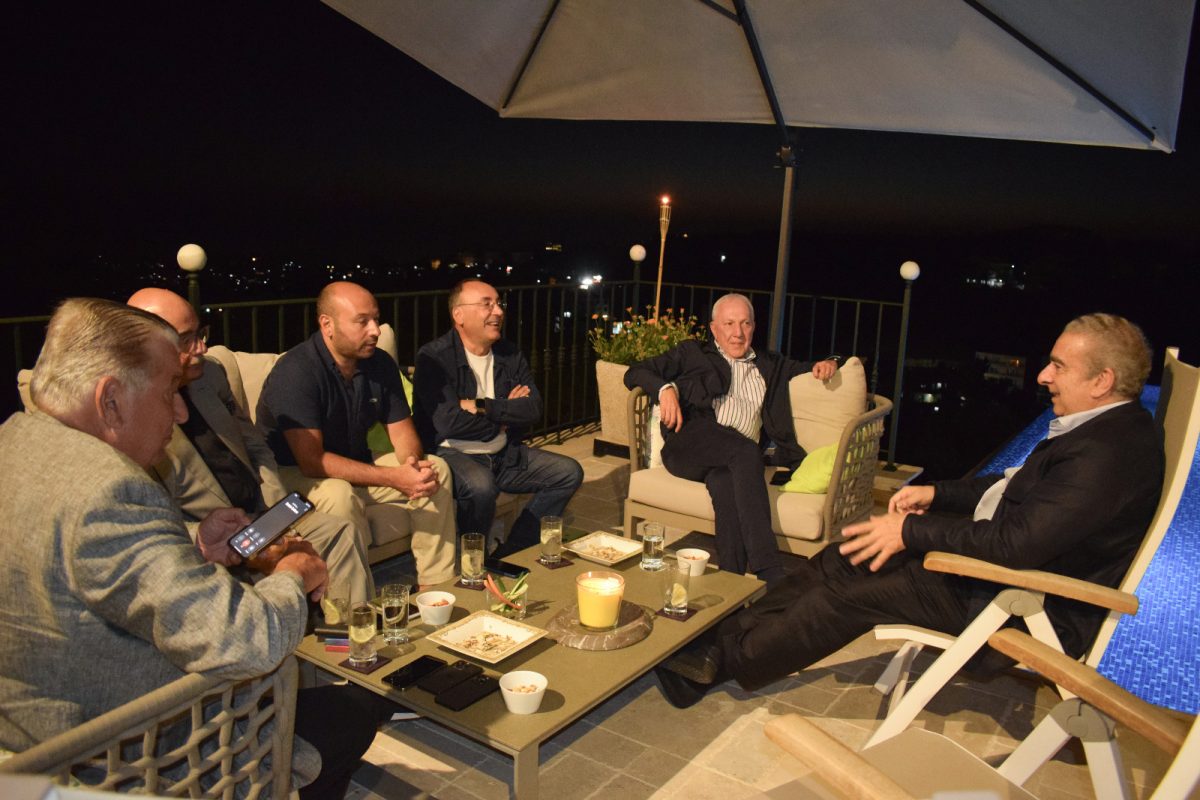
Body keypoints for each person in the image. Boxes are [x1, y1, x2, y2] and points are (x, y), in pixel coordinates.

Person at [654, 313, 1164, 708]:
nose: (1044, 375)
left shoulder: (1106, 455)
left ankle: (723, 664)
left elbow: (1017, 544)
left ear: (1102, 381)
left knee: (847, 594)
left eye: (1060, 366)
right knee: (846, 554)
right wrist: (936, 495)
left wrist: (912, 532)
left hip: (1016, 601)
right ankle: (728, 637)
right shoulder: (1098, 431)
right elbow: (1011, 486)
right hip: (995, 573)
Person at [0, 298, 388, 798]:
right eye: (169, 392)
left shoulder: (15, 441)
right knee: (351, 713)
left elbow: (81, 553)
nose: (180, 412)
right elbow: (250, 643)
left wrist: (194, 542)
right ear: (110, 400)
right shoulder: (109, 489)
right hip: (130, 752)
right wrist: (293, 573)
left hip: (32, 733)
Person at [127, 287, 374, 603]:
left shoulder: (210, 375)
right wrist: (216, 536)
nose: (202, 347)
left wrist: (274, 514)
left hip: (260, 515)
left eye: (201, 333)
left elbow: (255, 446)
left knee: (340, 531)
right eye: (187, 339)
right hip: (215, 537)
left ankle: (354, 628)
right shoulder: (132, 412)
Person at [624, 293, 837, 582]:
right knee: (746, 451)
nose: (738, 333)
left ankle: (731, 581)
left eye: (745, 324)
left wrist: (832, 361)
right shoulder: (692, 352)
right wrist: (665, 390)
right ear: (714, 329)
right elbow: (635, 372)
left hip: (731, 460)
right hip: (690, 443)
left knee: (725, 483)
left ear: (753, 327)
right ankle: (770, 571)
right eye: (729, 324)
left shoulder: (770, 364)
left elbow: (817, 365)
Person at [256, 281, 456, 587]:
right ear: (327, 325)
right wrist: (394, 478)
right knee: (338, 494)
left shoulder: (379, 364)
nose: (375, 330)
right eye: (362, 321)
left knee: (435, 470)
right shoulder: (296, 371)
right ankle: (352, 604)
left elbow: (403, 434)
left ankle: (436, 586)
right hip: (293, 476)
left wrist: (411, 468)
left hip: (353, 466)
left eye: (375, 319)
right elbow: (312, 461)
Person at [413, 279, 584, 558]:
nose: (499, 311)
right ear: (459, 315)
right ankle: (474, 559)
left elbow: (533, 408)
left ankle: (511, 553)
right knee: (481, 487)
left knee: (567, 472)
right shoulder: (434, 357)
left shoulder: (509, 353)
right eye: (487, 304)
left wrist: (483, 407)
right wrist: (505, 417)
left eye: (498, 303)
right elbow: (448, 423)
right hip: (453, 454)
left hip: (505, 453)